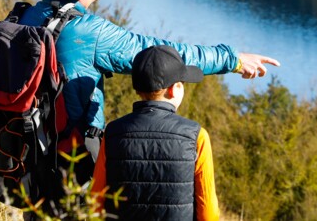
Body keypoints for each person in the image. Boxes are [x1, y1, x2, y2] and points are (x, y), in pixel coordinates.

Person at [18, 0, 279, 181]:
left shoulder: (27, 16)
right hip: (73, 154)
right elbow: (161, 55)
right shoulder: (89, 31)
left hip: (27, 144)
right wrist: (232, 59)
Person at [92, 45, 221, 220]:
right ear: (174, 89)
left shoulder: (113, 132)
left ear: (138, 89)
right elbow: (208, 212)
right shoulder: (197, 136)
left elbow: (96, 200)